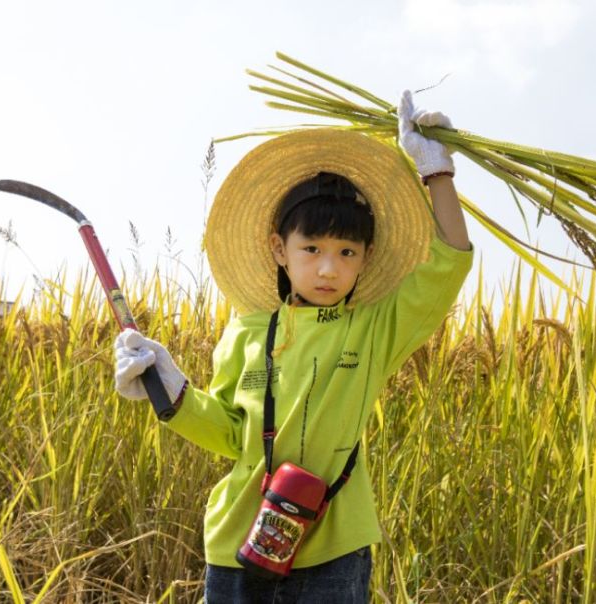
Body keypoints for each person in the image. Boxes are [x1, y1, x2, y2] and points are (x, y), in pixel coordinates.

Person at [114, 90, 472, 603]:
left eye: (346, 252)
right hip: (240, 541)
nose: (329, 268)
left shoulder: (374, 329)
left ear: (366, 258)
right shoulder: (248, 331)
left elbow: (450, 263)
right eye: (312, 249)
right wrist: (168, 391)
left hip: (334, 549)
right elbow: (229, 433)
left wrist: (437, 173)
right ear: (280, 249)